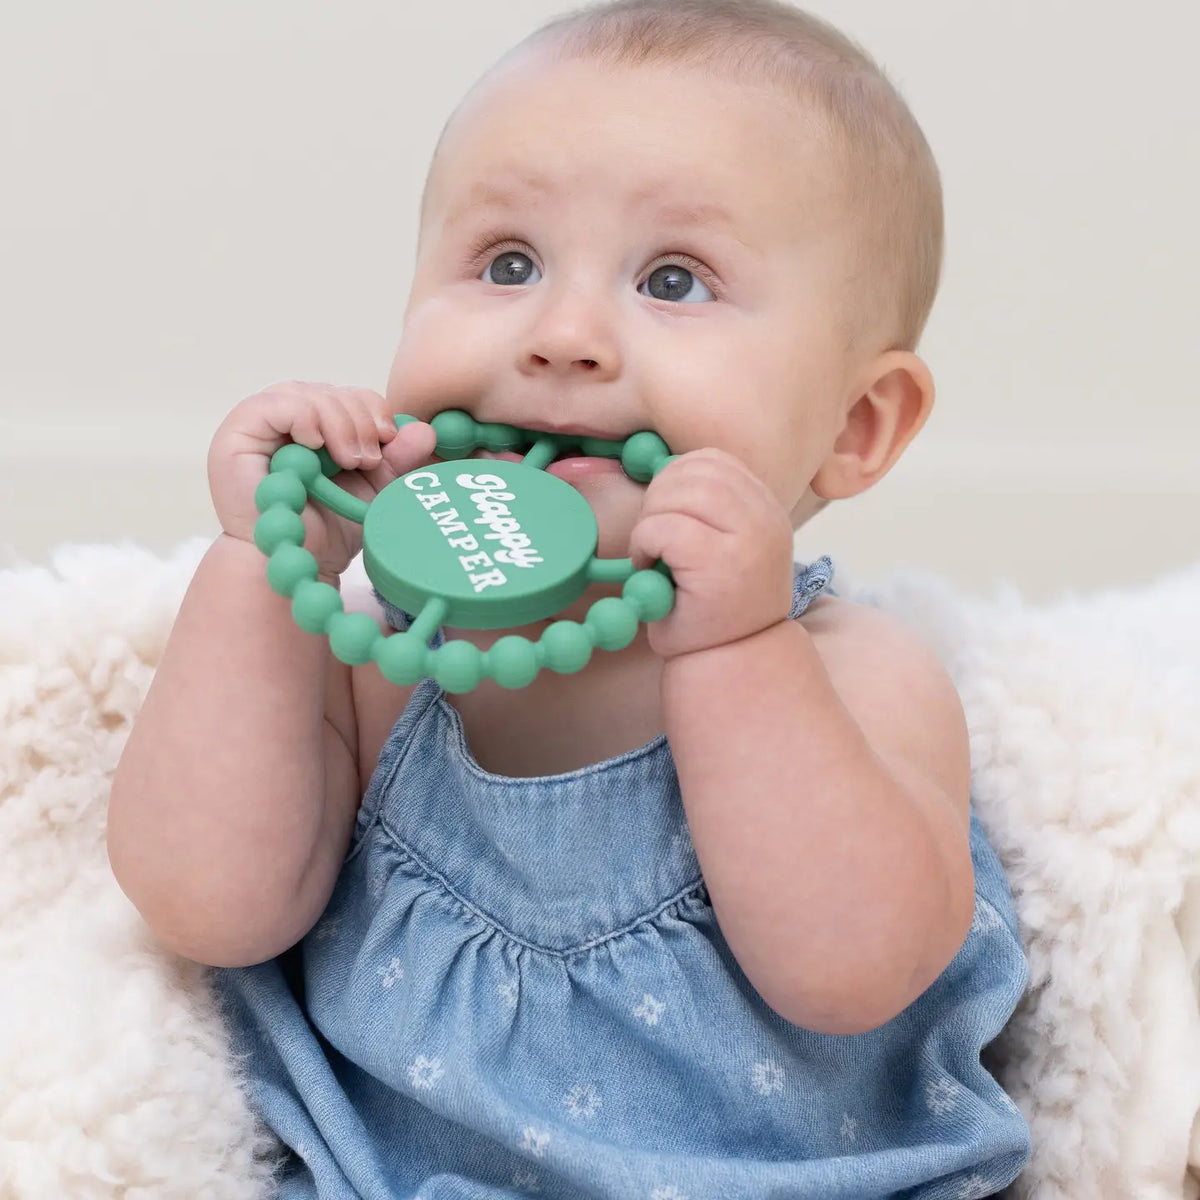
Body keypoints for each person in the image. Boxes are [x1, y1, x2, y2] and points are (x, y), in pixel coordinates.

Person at [107, 1, 1031, 1196]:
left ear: (854, 427)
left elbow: (851, 971)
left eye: (674, 279)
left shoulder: (858, 674)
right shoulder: (392, 653)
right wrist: (265, 566)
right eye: (507, 264)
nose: (563, 334)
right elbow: (206, 906)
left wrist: (737, 647)